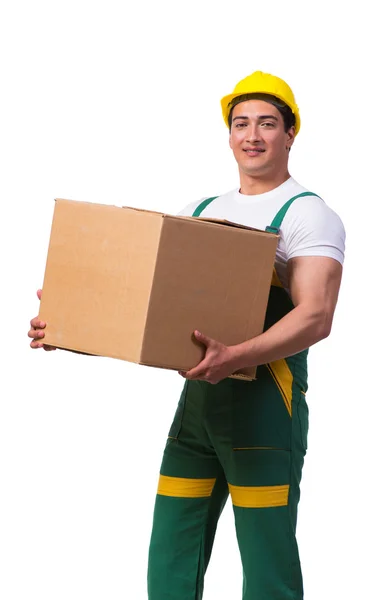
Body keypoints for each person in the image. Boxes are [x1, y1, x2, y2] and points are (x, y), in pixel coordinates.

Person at [28, 70, 345, 600]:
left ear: (290, 134)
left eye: (268, 123)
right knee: (172, 553)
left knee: (266, 562)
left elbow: (316, 315)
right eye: (241, 123)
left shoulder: (309, 214)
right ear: (228, 134)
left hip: (266, 405)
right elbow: (144, 299)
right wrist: (69, 324)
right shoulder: (203, 212)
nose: (253, 135)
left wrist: (236, 356)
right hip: (198, 406)